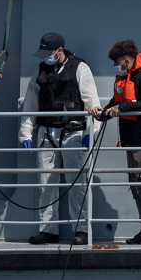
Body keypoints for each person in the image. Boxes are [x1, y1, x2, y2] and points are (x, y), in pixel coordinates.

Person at [18, 33, 103, 245]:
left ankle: (81, 230)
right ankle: (48, 230)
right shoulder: (40, 71)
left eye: (49, 53)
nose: (45, 57)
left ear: (60, 50)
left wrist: (91, 133)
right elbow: (31, 103)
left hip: (73, 132)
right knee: (45, 183)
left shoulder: (80, 68)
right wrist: (26, 131)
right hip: (47, 133)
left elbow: (92, 101)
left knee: (78, 183)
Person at [90, 40, 141, 245]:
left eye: (117, 62)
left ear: (127, 60)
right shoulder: (127, 76)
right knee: (137, 188)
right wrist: (103, 112)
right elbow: (118, 102)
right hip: (132, 140)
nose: (116, 67)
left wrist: (120, 109)